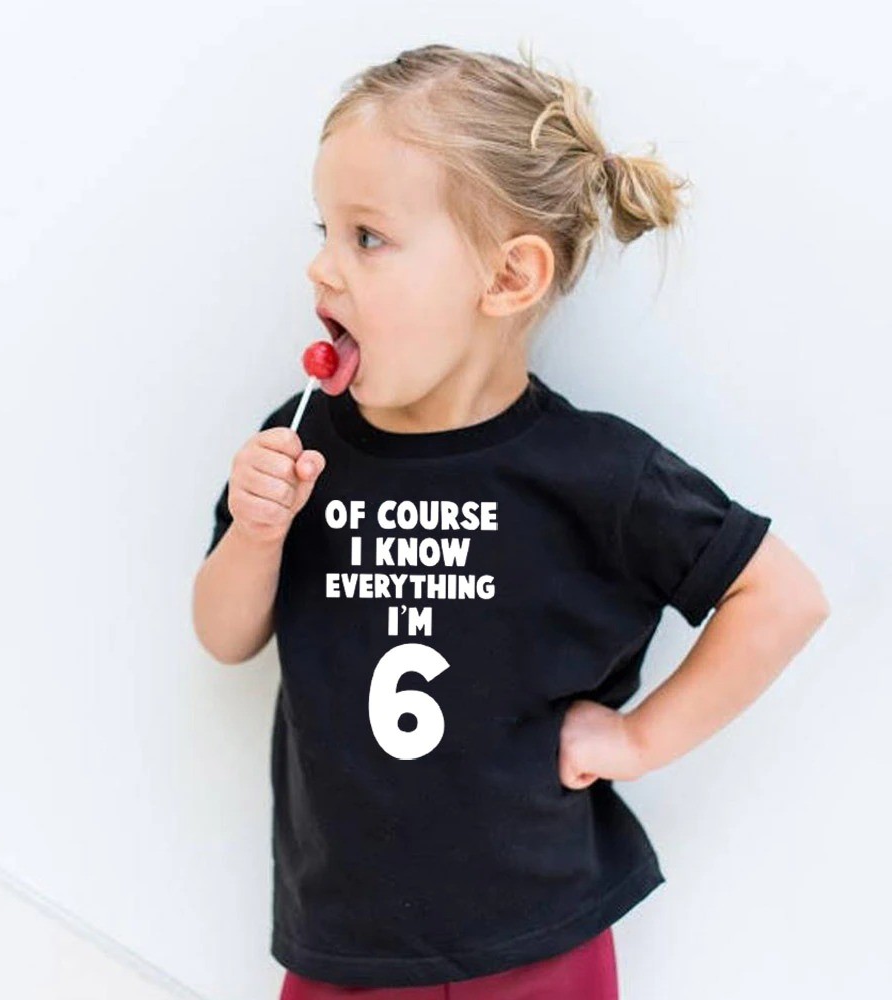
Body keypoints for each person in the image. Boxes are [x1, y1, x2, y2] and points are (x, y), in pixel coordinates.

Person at [192, 43, 830, 1000]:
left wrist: (638, 740)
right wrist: (256, 532)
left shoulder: (596, 472)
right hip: (346, 944)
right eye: (325, 230)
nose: (323, 267)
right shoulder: (302, 442)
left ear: (507, 279)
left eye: (368, 237)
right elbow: (224, 636)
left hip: (541, 938)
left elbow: (782, 596)